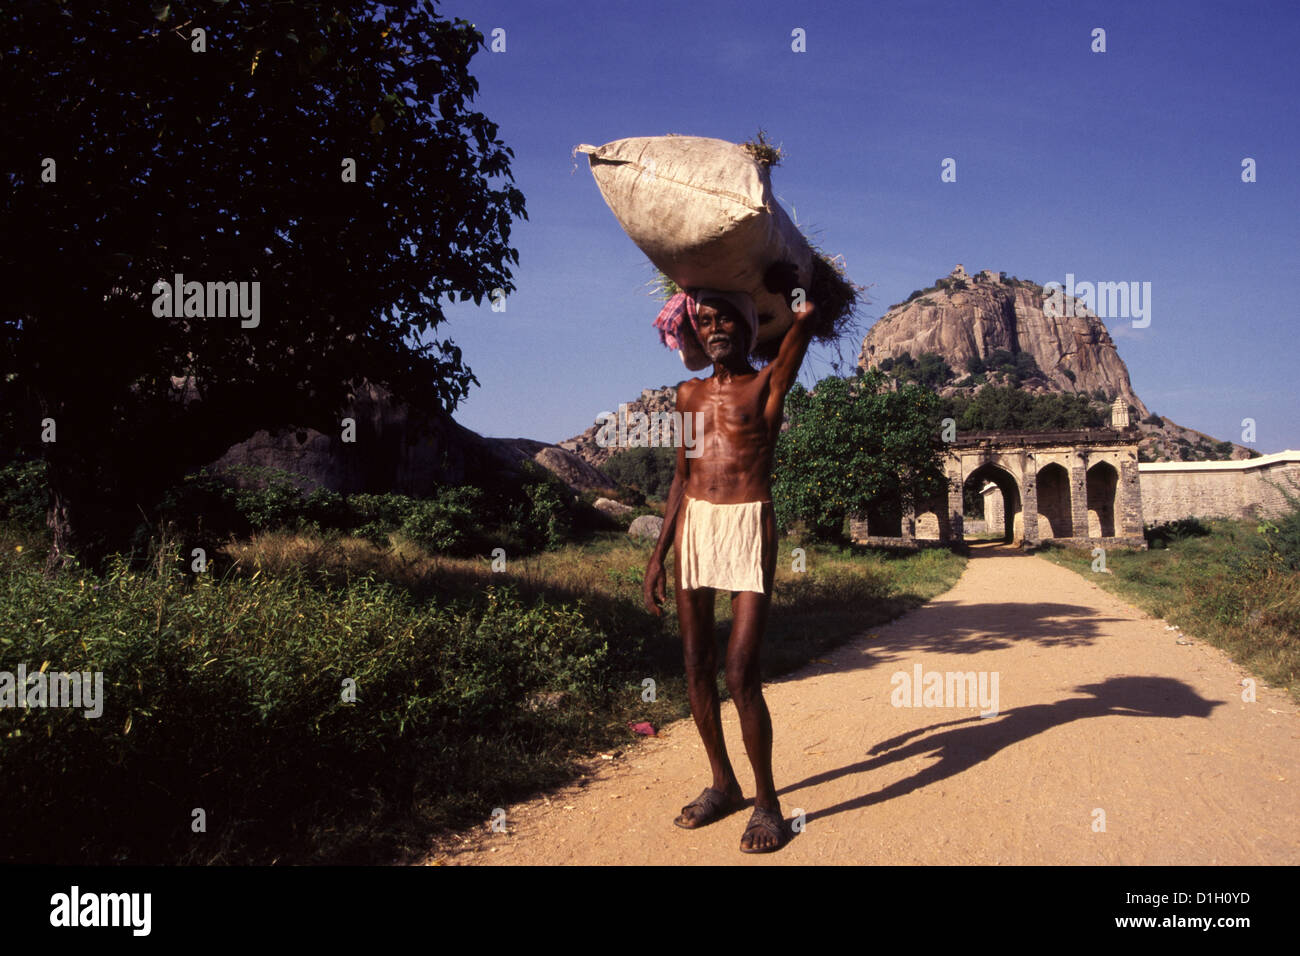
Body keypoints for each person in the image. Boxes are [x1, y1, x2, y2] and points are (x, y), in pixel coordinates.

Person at [644, 265, 815, 853]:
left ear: (747, 329)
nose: (716, 329)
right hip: (693, 526)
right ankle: (724, 783)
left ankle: (768, 803)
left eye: (727, 321)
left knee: (741, 671)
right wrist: (657, 554)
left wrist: (791, 282)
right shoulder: (687, 394)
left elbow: (807, 316)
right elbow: (681, 476)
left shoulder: (767, 383)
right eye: (707, 320)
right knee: (695, 666)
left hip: (746, 523)